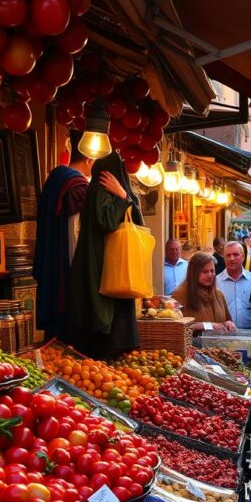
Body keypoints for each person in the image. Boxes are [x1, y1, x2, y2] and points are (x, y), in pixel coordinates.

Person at [62, 153, 143, 359]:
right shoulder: (101, 188)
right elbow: (106, 221)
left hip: (107, 267)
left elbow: (132, 217)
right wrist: (123, 197)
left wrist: (124, 197)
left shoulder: (103, 189)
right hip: (105, 269)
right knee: (104, 341)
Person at [34, 131, 94, 339]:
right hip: (67, 276)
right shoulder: (78, 188)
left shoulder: (53, 181)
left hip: (50, 269)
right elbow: (76, 238)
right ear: (89, 159)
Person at [172, 252, 236, 332]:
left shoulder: (219, 294)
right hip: (193, 344)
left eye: (212, 271)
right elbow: (174, 327)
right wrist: (207, 325)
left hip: (218, 343)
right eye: (205, 272)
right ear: (194, 273)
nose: (210, 275)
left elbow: (227, 319)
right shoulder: (180, 295)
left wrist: (228, 323)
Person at [217, 241, 251, 331]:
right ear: (223, 258)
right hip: (224, 334)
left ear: (243, 257)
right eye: (228, 255)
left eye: (235, 254)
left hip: (249, 334)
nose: (232, 258)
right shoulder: (215, 282)